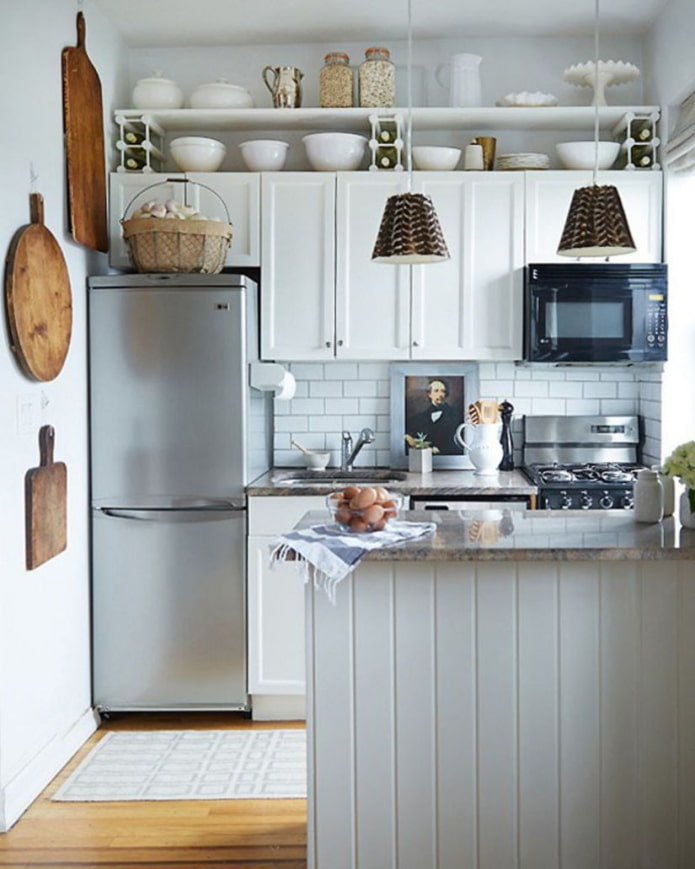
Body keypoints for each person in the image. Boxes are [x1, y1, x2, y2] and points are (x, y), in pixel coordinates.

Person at [406, 378, 462, 456]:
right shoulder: (420, 417)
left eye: (443, 391)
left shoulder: (454, 415)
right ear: (429, 394)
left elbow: (457, 442)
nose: (440, 394)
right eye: (436, 391)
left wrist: (441, 449)